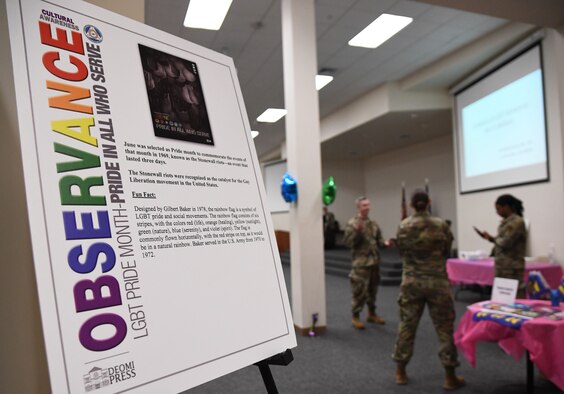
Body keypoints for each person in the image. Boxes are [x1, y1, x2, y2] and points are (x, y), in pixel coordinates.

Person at [391, 189, 465, 390]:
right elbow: (446, 249)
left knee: (407, 326)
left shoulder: (404, 225)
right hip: (437, 283)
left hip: (412, 282)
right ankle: (450, 377)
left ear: (412, 205)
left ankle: (401, 372)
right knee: (444, 329)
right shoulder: (441, 224)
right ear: (429, 202)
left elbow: (401, 251)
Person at [343, 196, 390, 329]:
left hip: (374, 262)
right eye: (364, 205)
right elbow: (348, 243)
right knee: (359, 291)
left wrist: (386, 243)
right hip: (361, 263)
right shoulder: (352, 223)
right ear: (358, 207)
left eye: (368, 205)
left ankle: (371, 313)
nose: (367, 207)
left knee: (372, 290)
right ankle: (356, 316)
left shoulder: (373, 224)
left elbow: (379, 241)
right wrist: (357, 233)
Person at [476, 194, 527, 297]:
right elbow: (501, 241)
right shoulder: (508, 222)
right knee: (503, 298)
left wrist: (494, 239)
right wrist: (490, 238)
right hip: (503, 267)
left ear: (507, 207)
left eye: (498, 209)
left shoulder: (517, 222)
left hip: (512, 268)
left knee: (515, 298)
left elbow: (505, 242)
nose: (497, 212)